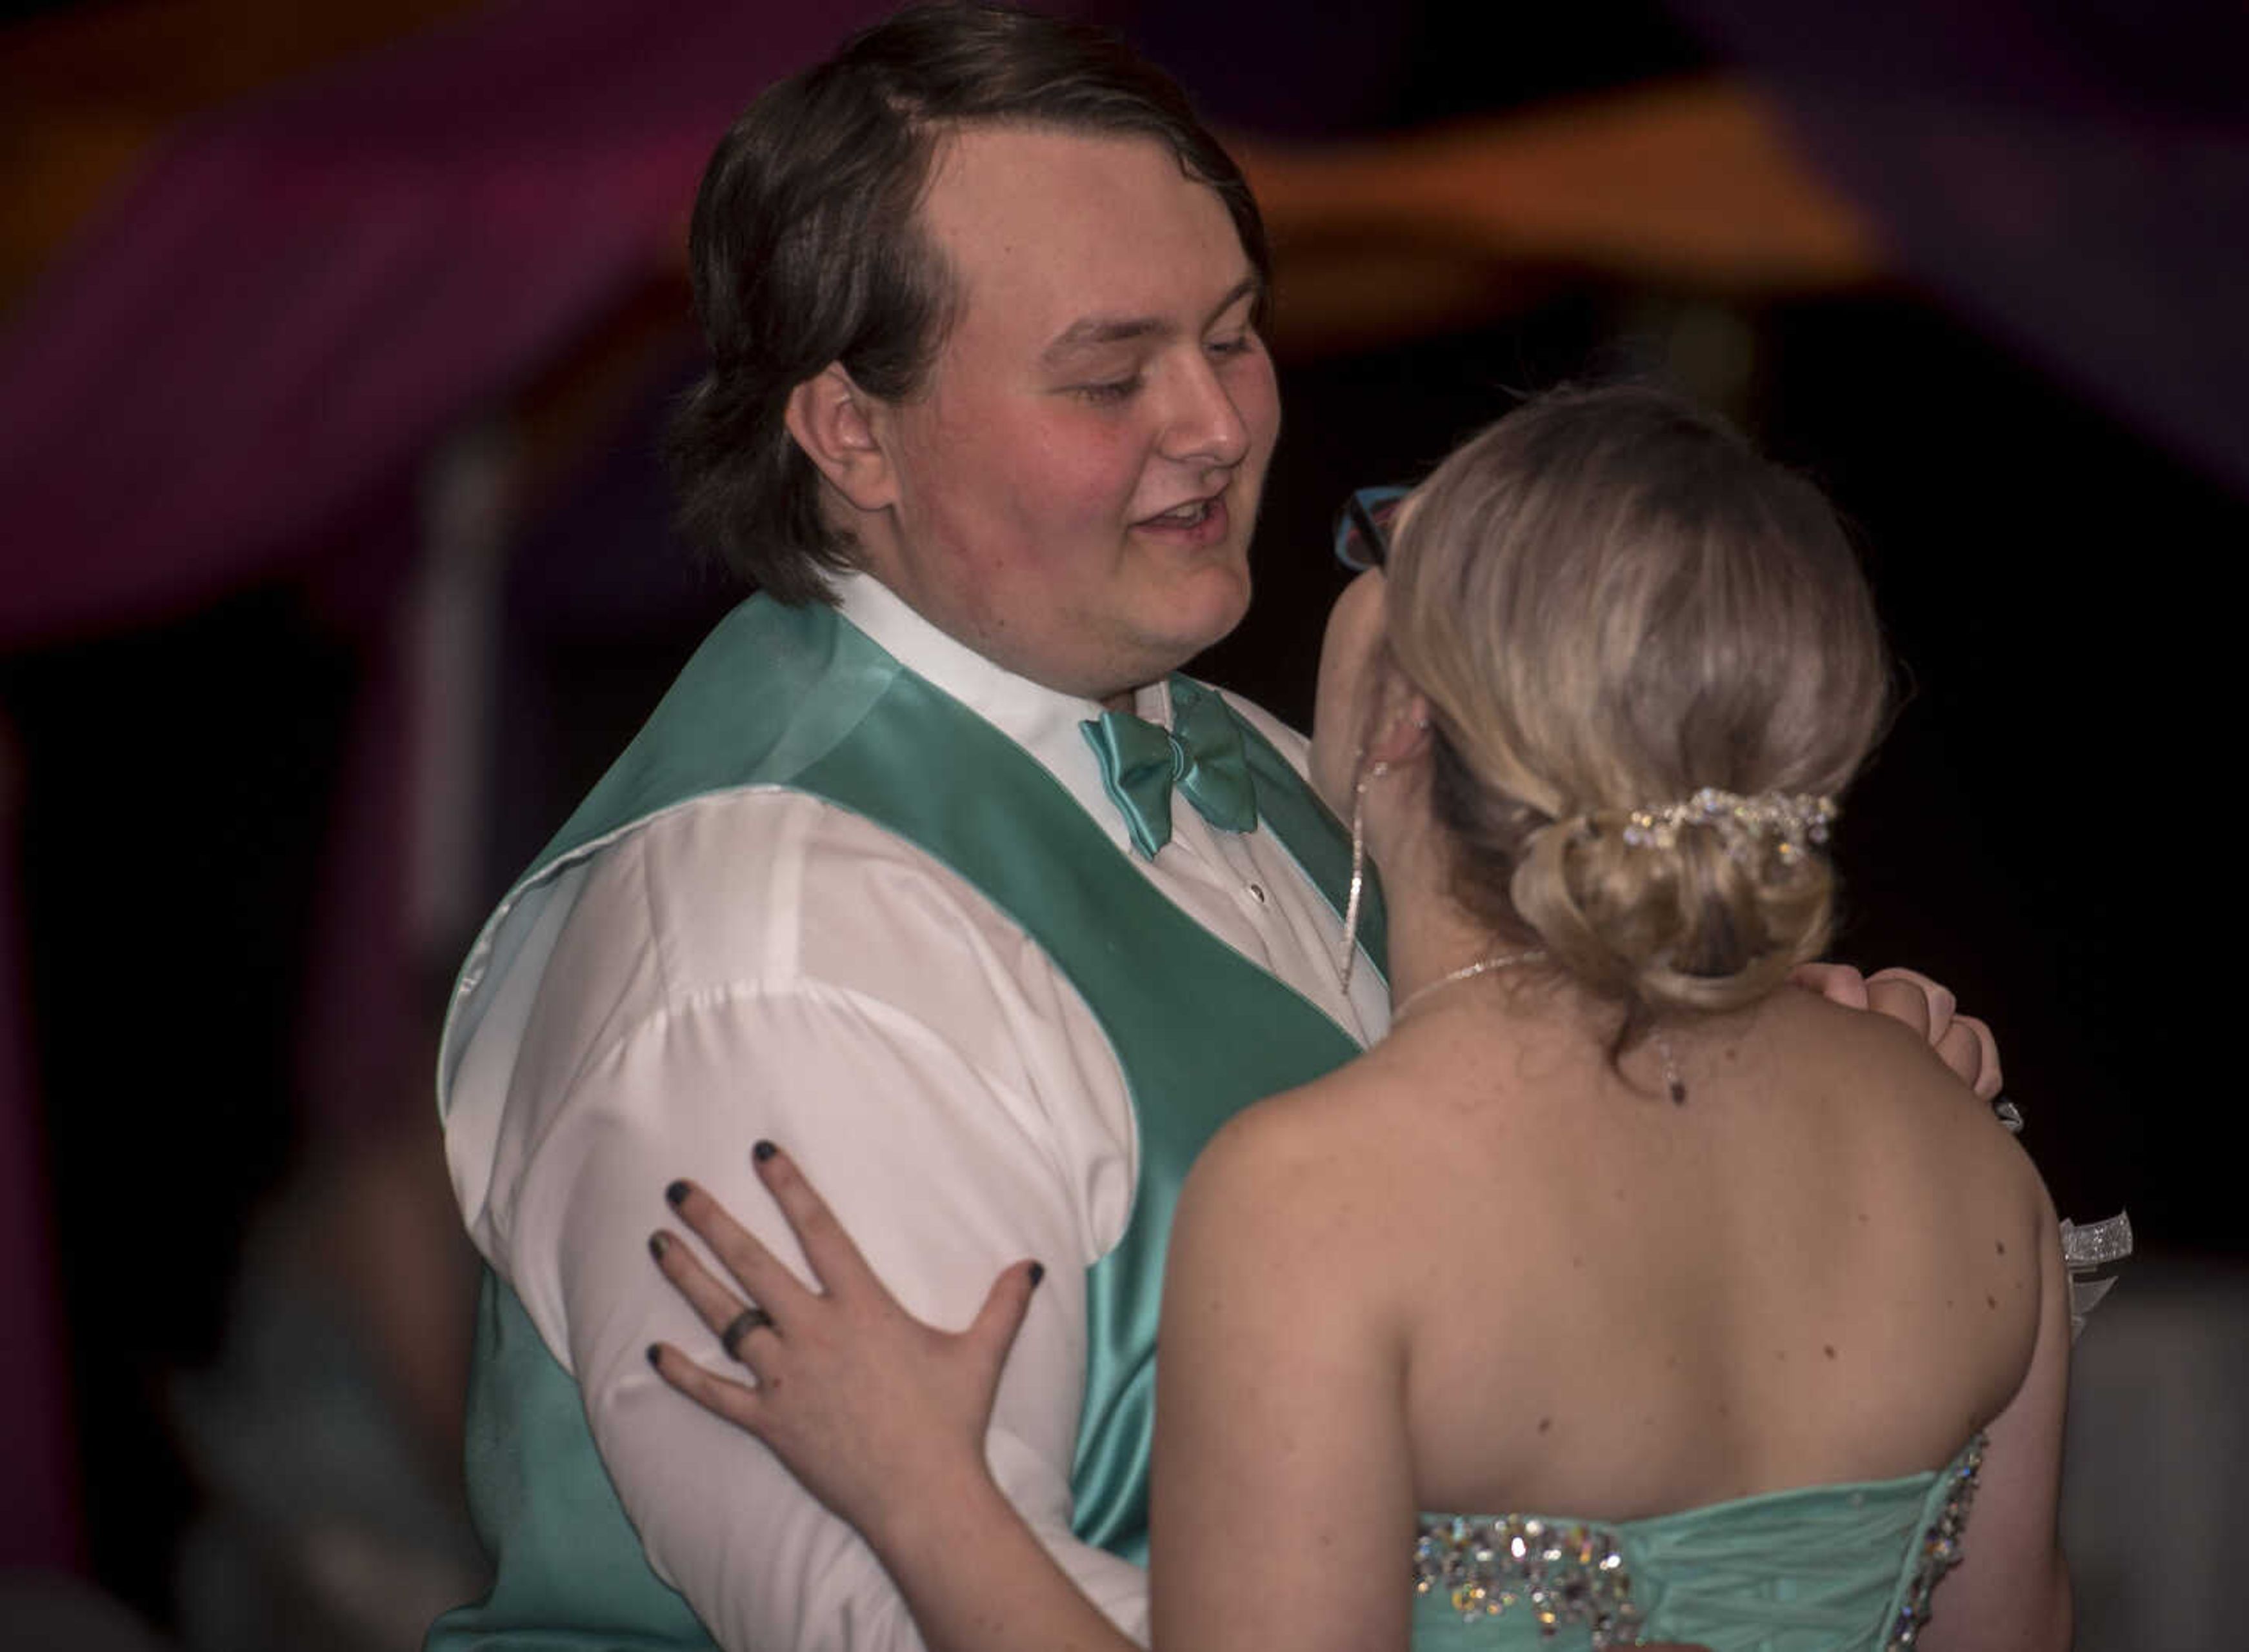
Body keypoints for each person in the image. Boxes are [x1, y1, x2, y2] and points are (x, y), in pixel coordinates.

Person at [430, 10, 2000, 1651]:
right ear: (853, 434)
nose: (1218, 425)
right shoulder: (771, 951)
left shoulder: (1267, 748)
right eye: (1111, 375)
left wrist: (1765, 1082)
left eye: (1234, 336)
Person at [643, 382, 2071, 1651]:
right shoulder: (1966, 1157)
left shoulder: (1322, 1200)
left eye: (1381, 545)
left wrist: (922, 1492)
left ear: (1406, 713)